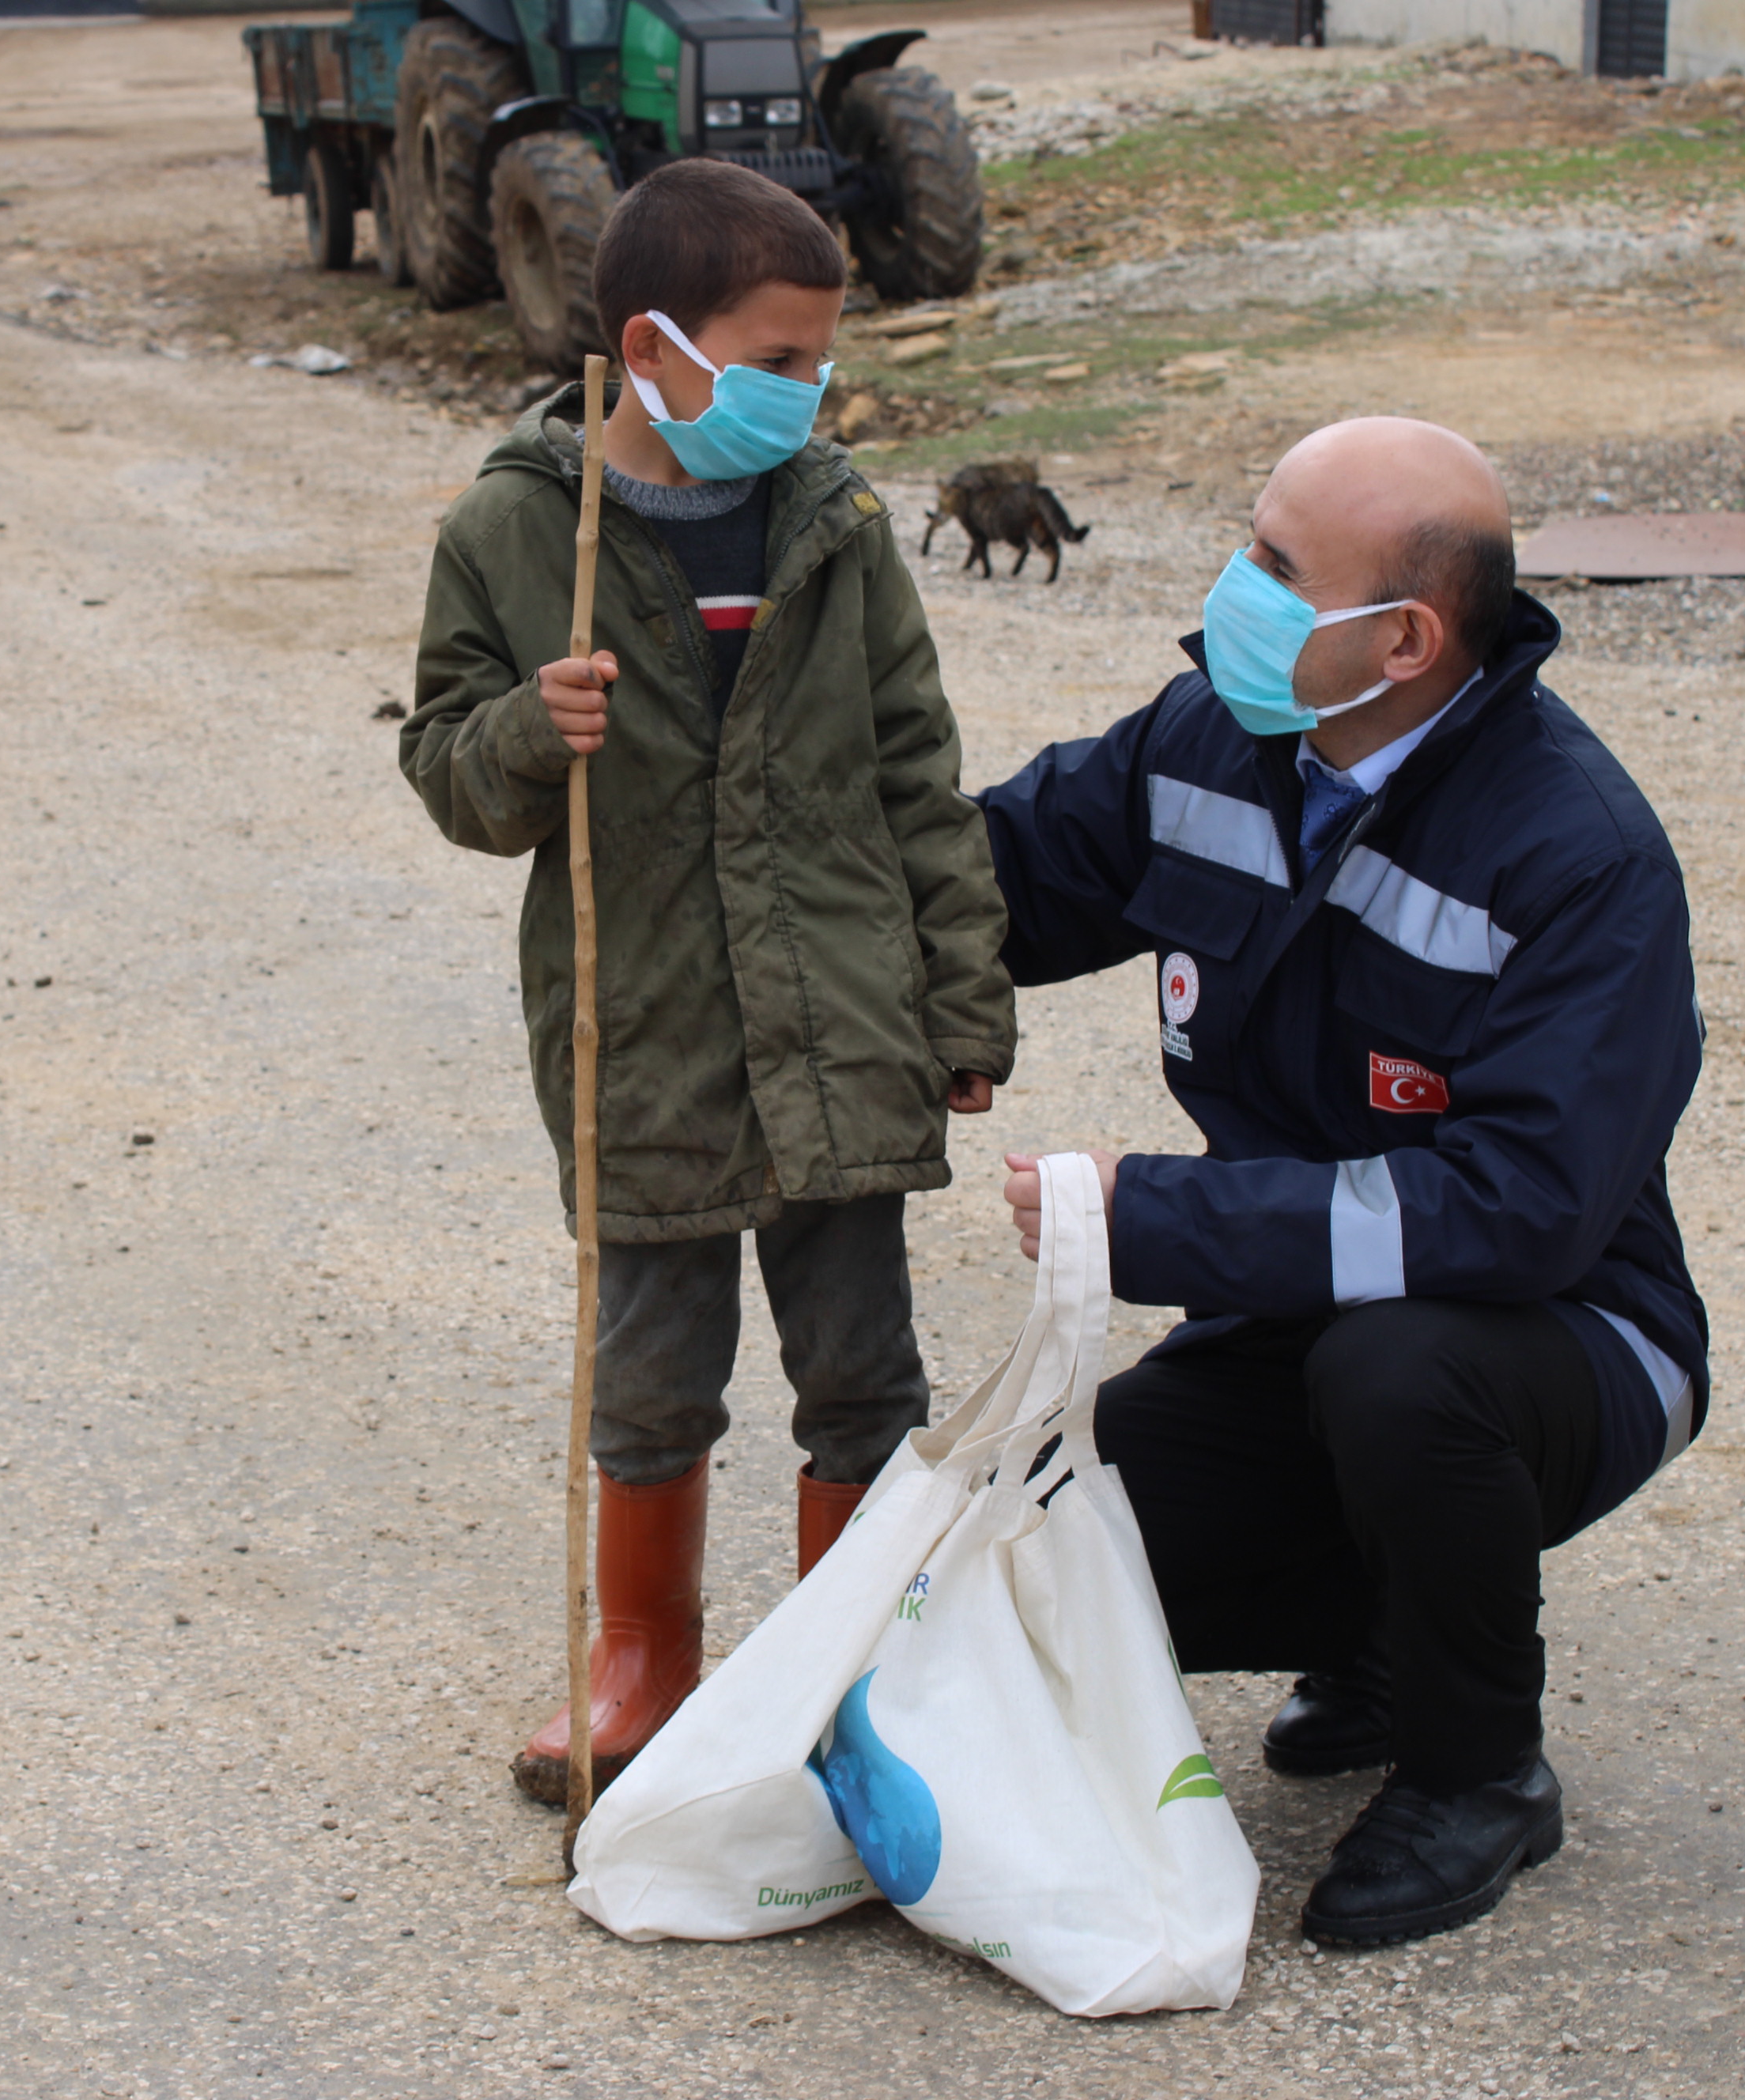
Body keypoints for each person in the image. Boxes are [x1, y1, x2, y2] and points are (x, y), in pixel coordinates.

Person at [978, 417, 1707, 1945]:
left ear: (1406, 636)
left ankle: (1480, 1771)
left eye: (1272, 565)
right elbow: (1002, 877)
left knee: (1404, 1374)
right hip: (1303, 1319)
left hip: (1557, 1339)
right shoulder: (1217, 737)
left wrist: (1152, 1217)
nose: (1231, 588)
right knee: (1070, 1517)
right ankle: (1383, 1633)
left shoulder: (1578, 857)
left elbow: (1517, 1211)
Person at [400, 160, 1015, 1807]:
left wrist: (962, 998)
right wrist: (533, 732)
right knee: (654, 1365)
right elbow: (452, 769)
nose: (814, 395)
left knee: (863, 1366)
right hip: (647, 1028)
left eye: (825, 359)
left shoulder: (840, 524)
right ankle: (644, 1657)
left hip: (840, 1027)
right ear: (650, 345)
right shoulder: (518, 531)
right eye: (782, 359)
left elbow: (919, 778)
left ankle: (846, 1669)